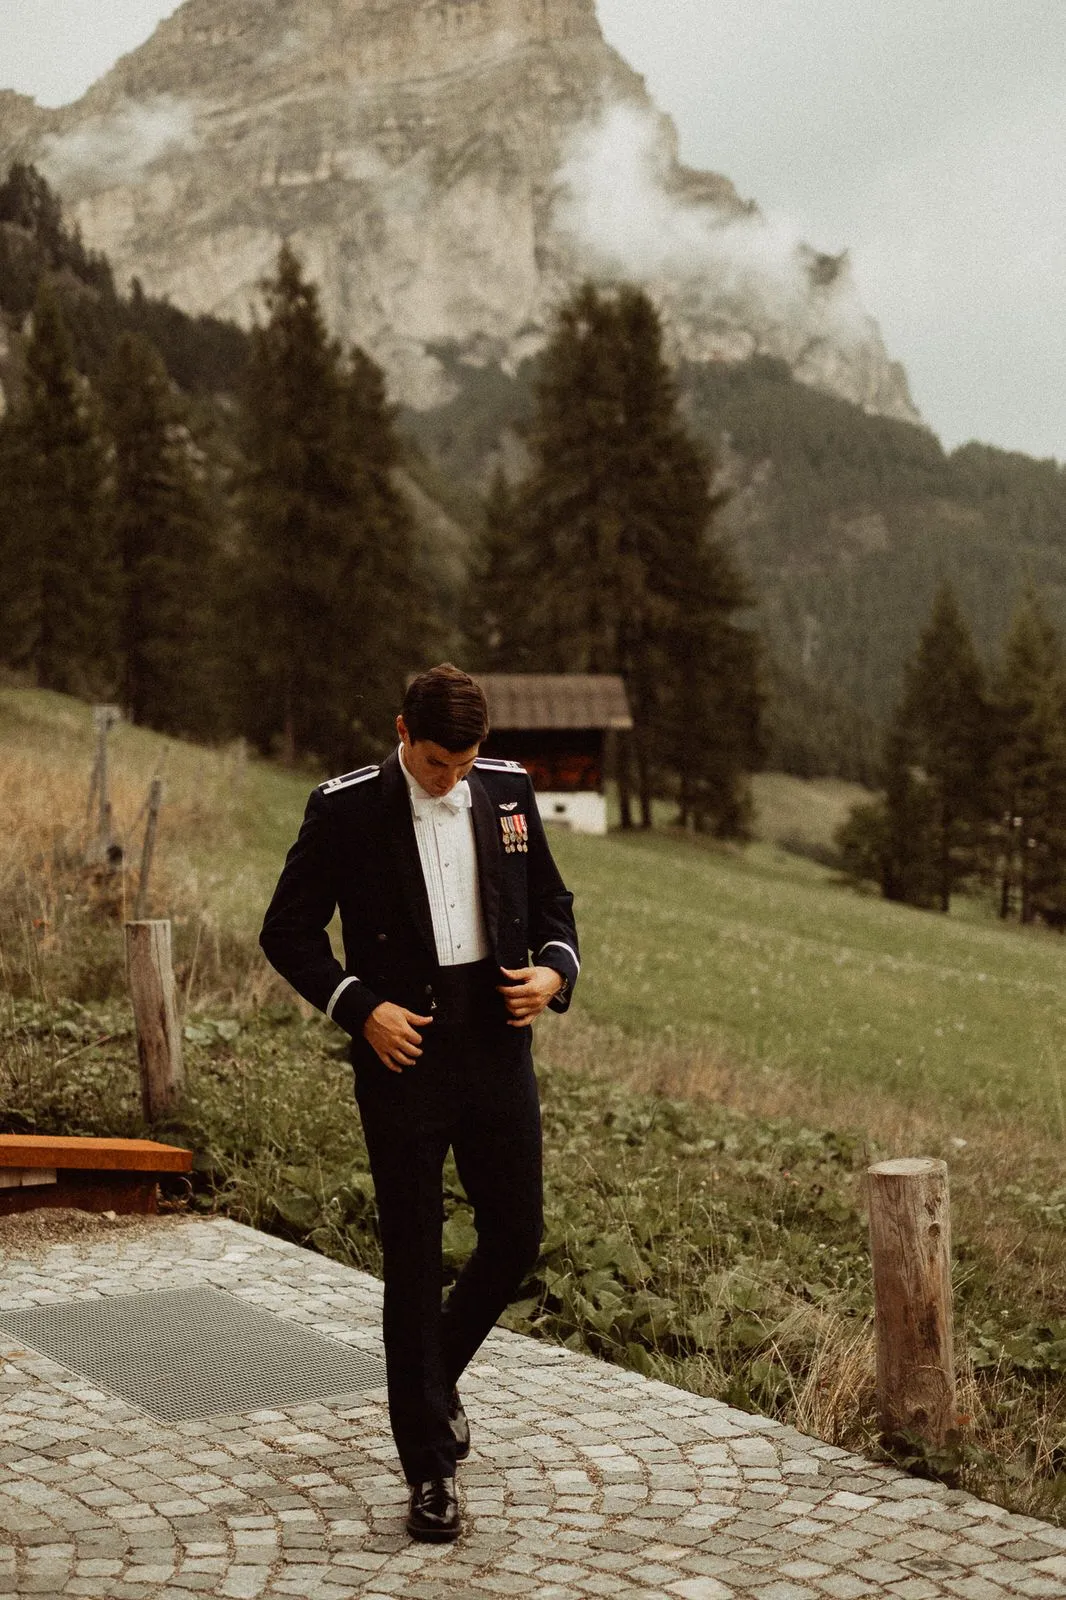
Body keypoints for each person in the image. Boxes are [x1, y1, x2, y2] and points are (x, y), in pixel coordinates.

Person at [260, 664, 580, 1542]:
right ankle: (429, 1474)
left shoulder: (507, 790)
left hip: (497, 1045)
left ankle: (429, 1387)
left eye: (464, 763)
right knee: (413, 1253)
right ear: (403, 732)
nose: (452, 779)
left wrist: (555, 971)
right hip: (403, 1055)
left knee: (516, 1234)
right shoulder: (346, 808)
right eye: (438, 762)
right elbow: (285, 931)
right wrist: (360, 1010)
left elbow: (553, 903)